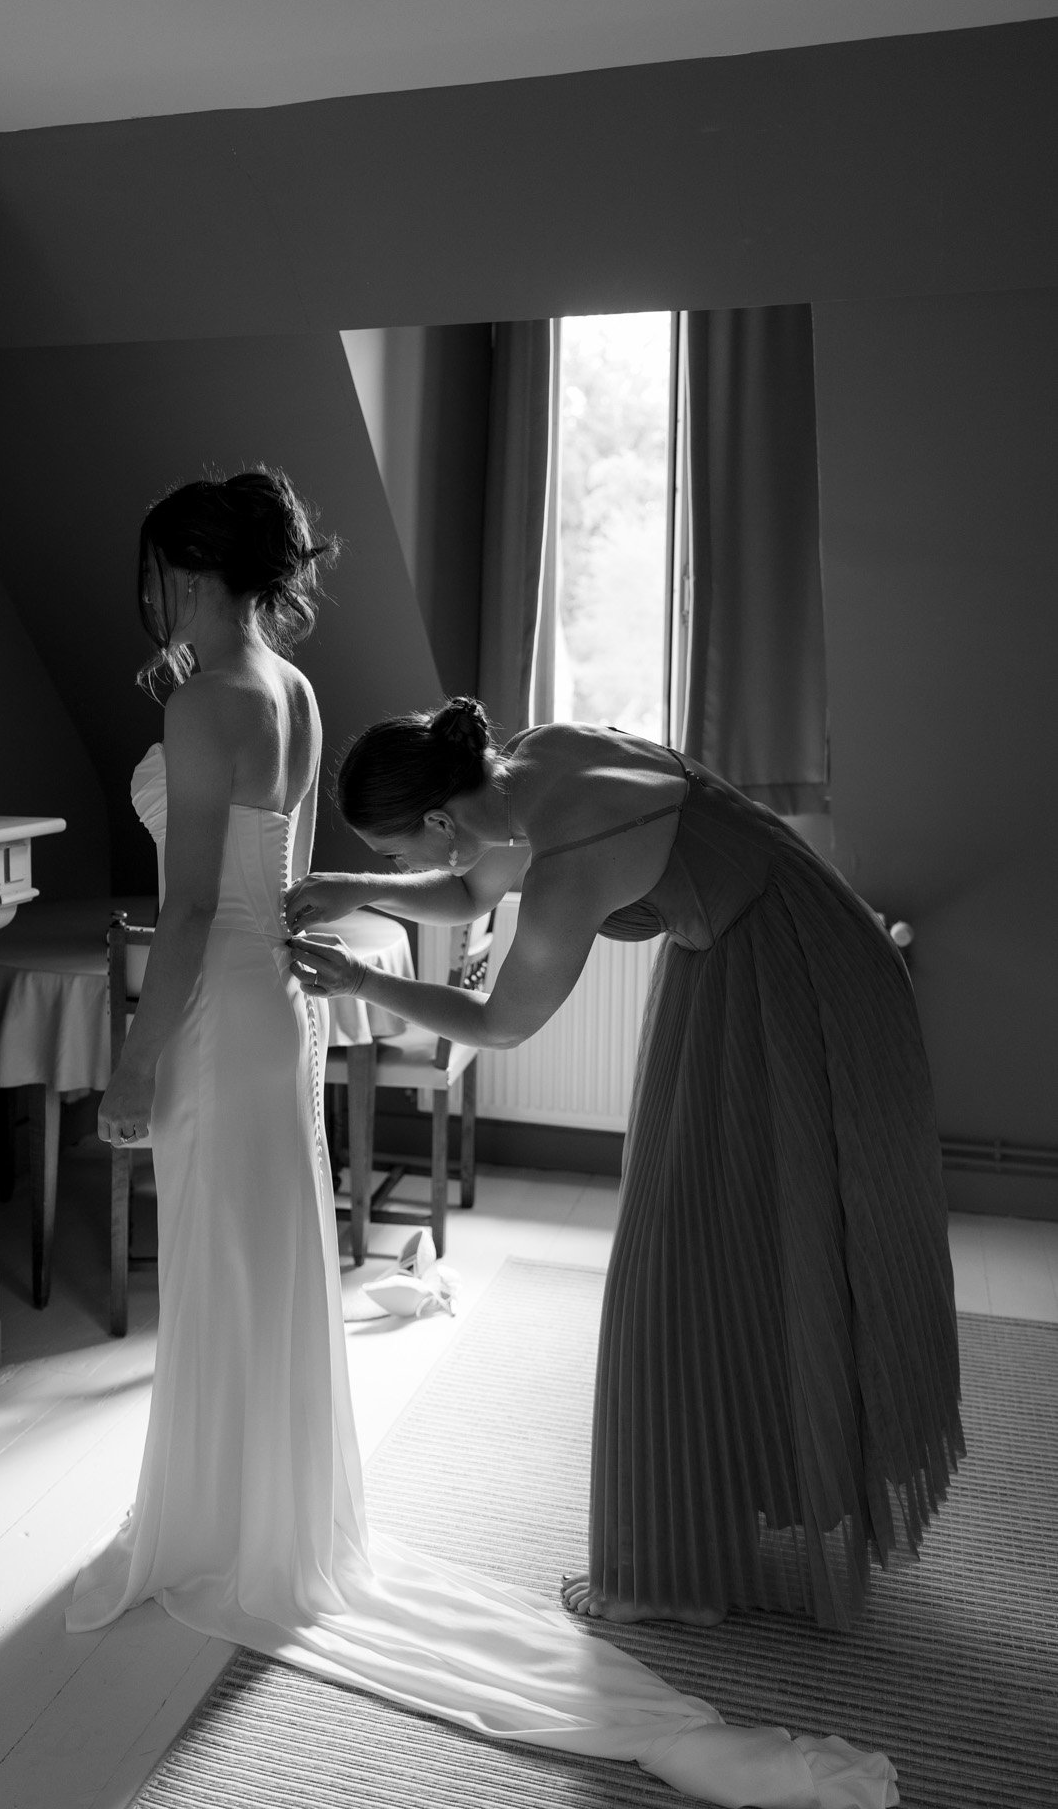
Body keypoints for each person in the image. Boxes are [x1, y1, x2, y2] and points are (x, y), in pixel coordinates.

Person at [68, 477, 898, 1808]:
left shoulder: (205, 703)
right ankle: (268, 1515)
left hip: (224, 1009)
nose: (151, 593)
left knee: (226, 1270)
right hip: (274, 1002)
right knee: (267, 1266)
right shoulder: (287, 689)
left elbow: (188, 922)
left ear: (186, 569)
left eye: (161, 573)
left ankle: (226, 1525)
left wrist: (126, 1063)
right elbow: (342, 868)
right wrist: (330, 901)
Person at [287, 696, 961, 1636]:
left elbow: (499, 1023)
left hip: (798, 982)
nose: (400, 868)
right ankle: (767, 1479)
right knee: (734, 1232)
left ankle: (673, 1565)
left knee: (684, 1255)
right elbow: (472, 890)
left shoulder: (573, 864)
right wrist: (353, 885)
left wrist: (361, 980)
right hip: (762, 946)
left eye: (396, 851)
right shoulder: (535, 758)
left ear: (441, 818)